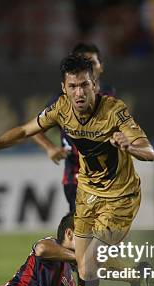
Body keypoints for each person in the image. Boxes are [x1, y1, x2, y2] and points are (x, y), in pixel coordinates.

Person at [0, 54, 154, 286]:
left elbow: (150, 151)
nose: (80, 93)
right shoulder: (61, 110)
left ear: (94, 85)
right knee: (83, 259)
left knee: (87, 260)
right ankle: (133, 277)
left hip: (120, 198)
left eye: (85, 86)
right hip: (87, 194)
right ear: (64, 88)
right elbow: (26, 130)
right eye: (73, 86)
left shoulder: (114, 111)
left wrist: (130, 146)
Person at [32, 43, 115, 212]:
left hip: (108, 176)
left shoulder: (109, 93)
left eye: (92, 62)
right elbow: (34, 129)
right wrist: (50, 148)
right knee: (87, 232)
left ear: (101, 66)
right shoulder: (61, 101)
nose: (88, 67)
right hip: (76, 176)